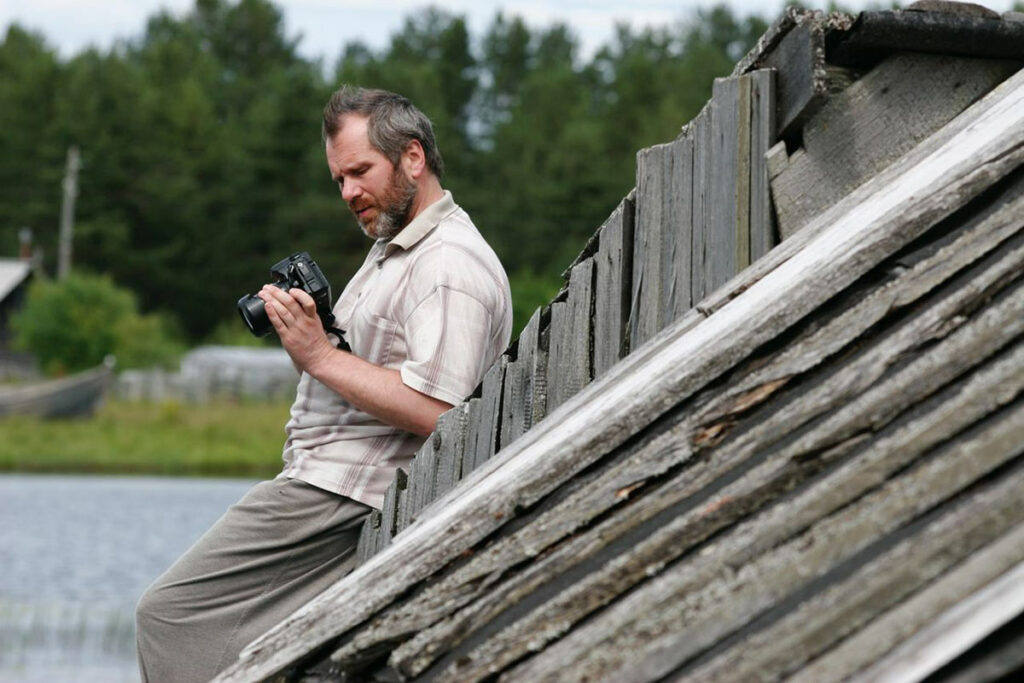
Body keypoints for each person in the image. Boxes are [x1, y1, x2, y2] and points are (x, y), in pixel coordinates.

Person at [135, 86, 512, 683]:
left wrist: (319, 356)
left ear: (413, 158)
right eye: (339, 179)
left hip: (342, 495)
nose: (349, 193)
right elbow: (372, 377)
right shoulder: (398, 247)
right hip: (332, 485)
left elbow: (445, 410)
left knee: (171, 617)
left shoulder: (448, 265)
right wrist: (313, 338)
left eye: (360, 172)